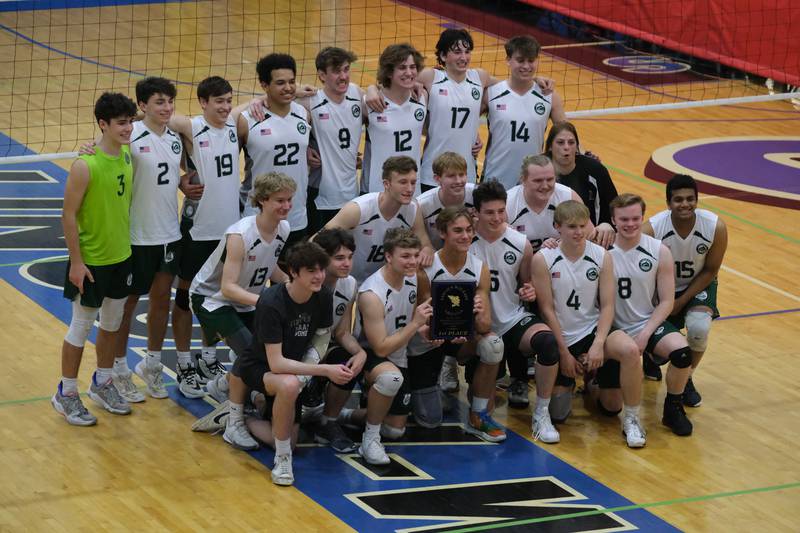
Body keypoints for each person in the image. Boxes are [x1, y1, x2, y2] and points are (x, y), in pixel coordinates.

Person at [366, 28, 555, 189]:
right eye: (456, 52)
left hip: (467, 174)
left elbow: (513, 85)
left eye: (467, 51)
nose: (463, 57)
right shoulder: (431, 77)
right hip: (431, 173)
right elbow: (394, 80)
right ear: (442, 56)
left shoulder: (479, 77)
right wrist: (372, 89)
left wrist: (536, 80)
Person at [232, 241, 352, 486]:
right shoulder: (271, 301)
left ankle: (245, 417)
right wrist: (323, 370)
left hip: (295, 368)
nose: (319, 276)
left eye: (321, 270)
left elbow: (321, 338)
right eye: (311, 271)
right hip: (259, 367)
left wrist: (306, 374)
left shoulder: (324, 296)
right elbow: (275, 363)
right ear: (294, 272)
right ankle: (282, 459)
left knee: (289, 436)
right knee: (288, 386)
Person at [189, 173, 293, 452]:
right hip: (212, 298)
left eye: (289, 200)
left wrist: (290, 286)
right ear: (262, 201)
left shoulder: (283, 229)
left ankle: (224, 385)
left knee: (263, 353)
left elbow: (270, 266)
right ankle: (233, 423)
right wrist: (266, 303)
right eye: (279, 201)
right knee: (251, 353)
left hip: (246, 299)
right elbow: (228, 287)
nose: (286, 206)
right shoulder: (240, 235)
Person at [52, 92, 138, 425]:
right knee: (81, 326)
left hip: (122, 256)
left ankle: (103, 382)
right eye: (120, 123)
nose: (128, 128)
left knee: (113, 323)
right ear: (103, 125)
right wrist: (76, 262)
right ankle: (67, 392)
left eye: (130, 121)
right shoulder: (85, 165)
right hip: (91, 262)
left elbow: (150, 118)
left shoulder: (127, 153)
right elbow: (68, 215)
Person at [532, 200, 645, 448]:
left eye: (583, 226)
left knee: (629, 355)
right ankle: (542, 413)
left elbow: (607, 305)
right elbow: (546, 309)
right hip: (563, 334)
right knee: (560, 413)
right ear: (557, 227)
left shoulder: (601, 255)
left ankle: (633, 420)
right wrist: (563, 352)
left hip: (592, 330)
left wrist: (598, 344)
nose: (578, 232)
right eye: (571, 226)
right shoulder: (544, 259)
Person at [165, 76, 243, 398]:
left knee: (217, 298)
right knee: (184, 297)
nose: (225, 106)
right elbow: (155, 119)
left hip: (229, 230)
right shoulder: (193, 127)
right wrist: (180, 178)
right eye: (218, 101)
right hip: (198, 230)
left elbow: (255, 106)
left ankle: (209, 358)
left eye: (228, 100)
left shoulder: (234, 124)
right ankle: (184, 362)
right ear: (203, 103)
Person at [469, 180, 561, 440]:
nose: (497, 217)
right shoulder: (465, 241)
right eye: (489, 212)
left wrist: (529, 291)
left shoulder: (520, 243)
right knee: (481, 408)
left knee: (547, 342)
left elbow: (526, 284)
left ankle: (542, 414)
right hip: (478, 329)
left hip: (511, 320)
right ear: (476, 212)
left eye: (501, 211)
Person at [408, 206, 507, 442]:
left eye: (469, 230)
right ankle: (414, 387)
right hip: (427, 341)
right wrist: (437, 331)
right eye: (458, 231)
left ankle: (478, 415)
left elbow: (484, 325)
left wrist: (479, 312)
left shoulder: (478, 267)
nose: (465, 236)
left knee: (493, 344)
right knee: (429, 420)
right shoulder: (426, 268)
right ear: (443, 233)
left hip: (461, 337)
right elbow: (421, 319)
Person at [607, 193, 693, 436]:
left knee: (682, 352)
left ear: (643, 217)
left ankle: (672, 407)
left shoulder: (658, 250)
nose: (630, 224)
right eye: (624, 219)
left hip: (645, 322)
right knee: (609, 406)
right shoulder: (601, 250)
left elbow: (667, 301)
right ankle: (596, 381)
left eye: (636, 218)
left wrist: (645, 334)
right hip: (612, 328)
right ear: (613, 220)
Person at [643, 174, 727, 406]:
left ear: (697, 201)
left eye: (690, 199)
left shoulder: (714, 227)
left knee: (699, 329)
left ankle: (686, 377)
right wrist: (666, 299)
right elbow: (638, 267)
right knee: (658, 348)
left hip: (697, 283)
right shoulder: (652, 229)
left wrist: (681, 301)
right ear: (668, 203)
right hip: (660, 287)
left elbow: (711, 270)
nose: (685, 204)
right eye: (678, 200)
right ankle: (651, 357)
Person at [351, 228, 432, 462]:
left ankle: (346, 416)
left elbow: (410, 320)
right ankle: (370, 439)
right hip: (369, 355)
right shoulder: (371, 293)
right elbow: (380, 348)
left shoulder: (415, 278)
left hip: (400, 352)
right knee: (390, 379)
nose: (413, 261)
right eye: (405, 256)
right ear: (388, 256)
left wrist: (425, 330)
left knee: (396, 430)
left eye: (416, 255)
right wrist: (416, 324)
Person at [237, 53, 312, 251]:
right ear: (264, 85)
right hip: (257, 215)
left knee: (293, 278)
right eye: (280, 83)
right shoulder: (247, 120)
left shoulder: (303, 114)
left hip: (295, 216)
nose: (288, 88)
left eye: (292, 82)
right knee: (254, 280)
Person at [415, 151, 475, 392]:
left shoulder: (475, 195)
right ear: (437, 178)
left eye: (462, 174)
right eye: (452, 176)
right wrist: (426, 247)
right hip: (435, 263)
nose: (459, 180)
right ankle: (434, 354)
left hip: (465, 257)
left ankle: (452, 358)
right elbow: (417, 235)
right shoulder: (423, 204)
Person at [322, 155, 433, 283]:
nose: (410, 189)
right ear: (386, 184)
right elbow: (318, 240)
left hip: (385, 283)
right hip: (349, 281)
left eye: (413, 183)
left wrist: (427, 251)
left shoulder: (413, 209)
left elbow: (425, 244)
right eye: (403, 182)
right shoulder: (358, 209)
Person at [304, 228, 364, 453]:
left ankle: (328, 422)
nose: (347, 264)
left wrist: (360, 352)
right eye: (339, 258)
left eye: (349, 257)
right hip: (293, 351)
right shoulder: (303, 282)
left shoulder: (349, 284)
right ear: (322, 257)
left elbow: (341, 332)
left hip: (322, 348)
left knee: (347, 360)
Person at [482, 35, 566, 190]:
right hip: (494, 177)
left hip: (533, 180)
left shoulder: (549, 96)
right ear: (508, 60)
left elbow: (566, 135)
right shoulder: (491, 93)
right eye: (520, 60)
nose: (526, 66)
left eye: (531, 60)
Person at [362, 43, 427, 196]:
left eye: (412, 67)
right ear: (389, 72)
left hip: (412, 190)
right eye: (402, 68)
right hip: (378, 190)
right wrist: (371, 88)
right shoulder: (370, 102)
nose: (409, 72)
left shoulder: (422, 98)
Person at [545, 121, 617, 246]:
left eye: (571, 142)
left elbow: (615, 207)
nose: (566, 147)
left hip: (591, 242)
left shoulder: (595, 170)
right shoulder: (538, 172)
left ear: (577, 146)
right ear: (550, 146)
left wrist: (607, 225)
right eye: (560, 142)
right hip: (550, 244)